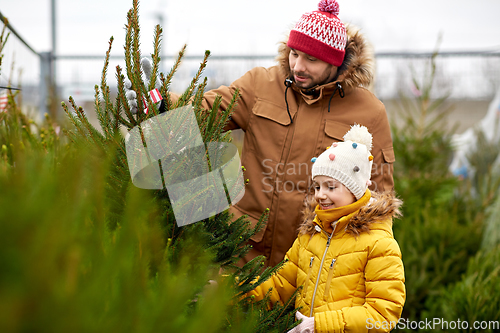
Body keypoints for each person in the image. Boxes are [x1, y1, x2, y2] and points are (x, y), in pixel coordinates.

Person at [131, 0, 395, 267]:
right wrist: (162, 103)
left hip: (314, 261)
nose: (298, 66)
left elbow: (380, 197)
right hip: (243, 252)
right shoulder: (261, 85)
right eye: (294, 54)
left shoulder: (369, 112)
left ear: (335, 62)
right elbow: (205, 111)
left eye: (311, 59)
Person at [246, 124, 405, 333]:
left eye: (331, 187)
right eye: (317, 186)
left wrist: (319, 326)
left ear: (355, 189)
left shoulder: (379, 243)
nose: (320, 194)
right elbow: (278, 285)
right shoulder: (311, 235)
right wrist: (231, 290)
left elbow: (383, 314)